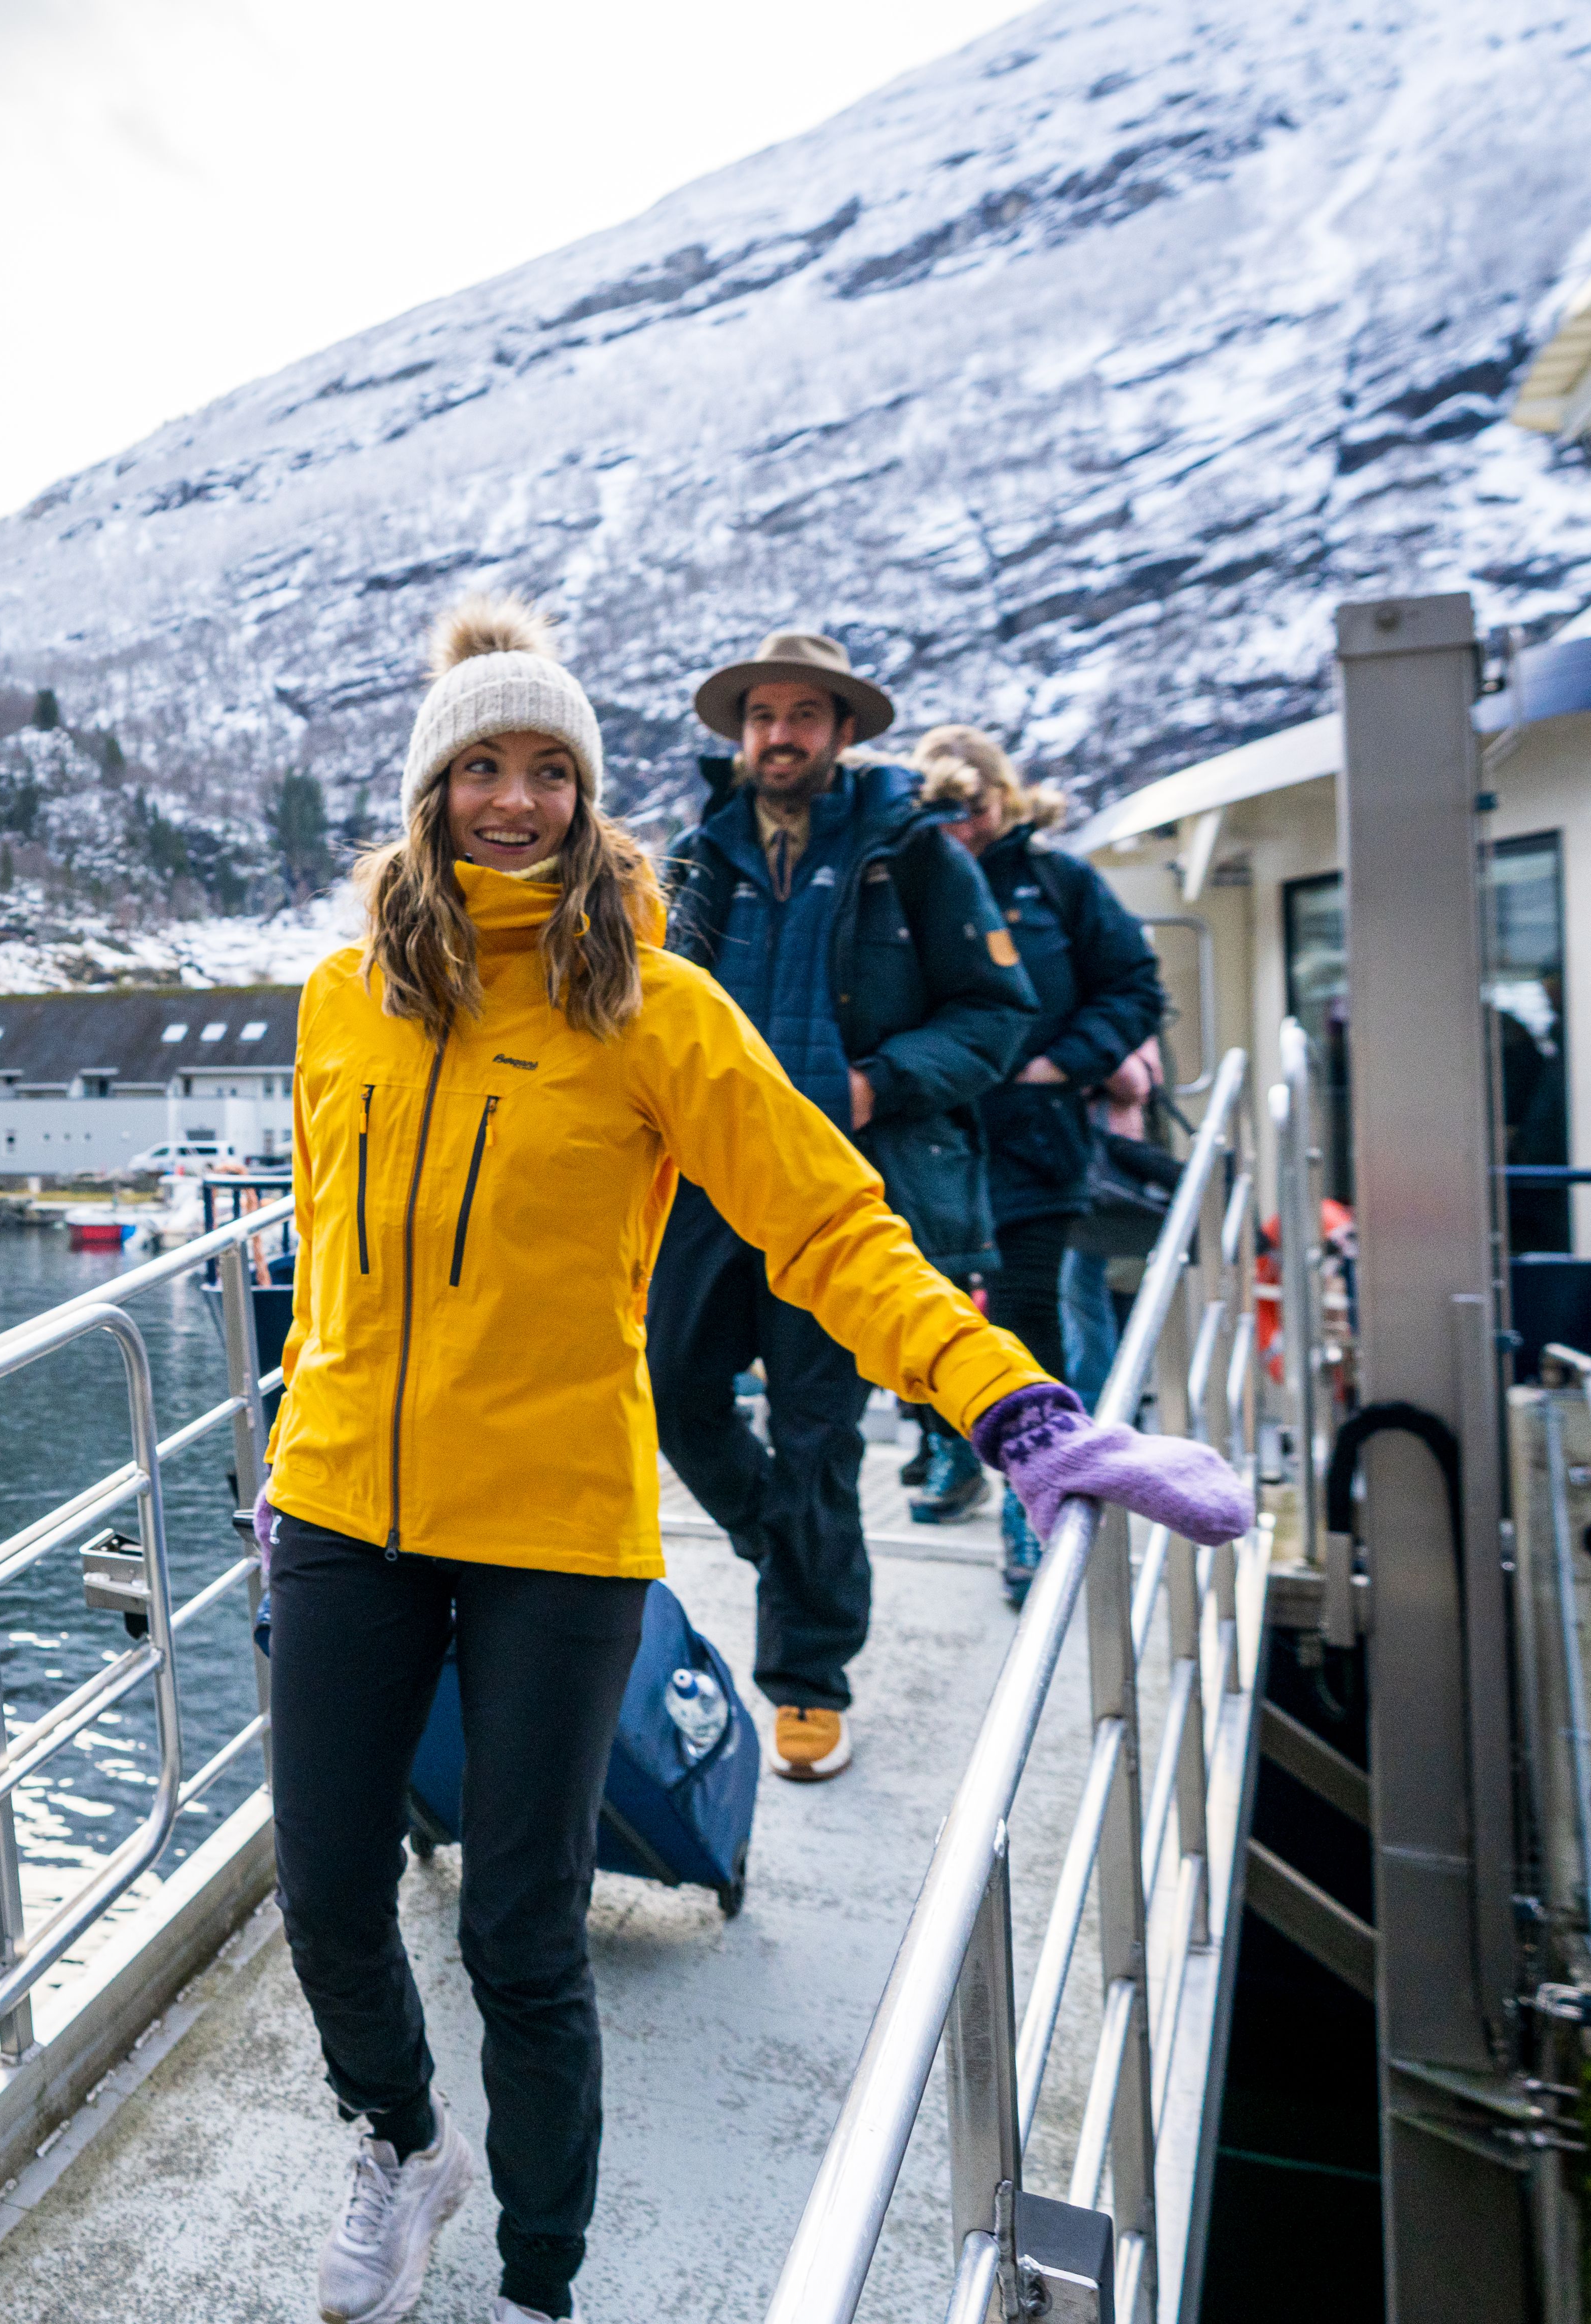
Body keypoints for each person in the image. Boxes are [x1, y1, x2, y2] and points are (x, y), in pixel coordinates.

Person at [262, 596, 1248, 2324]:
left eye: (547, 771)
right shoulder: (341, 1002)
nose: (512, 801)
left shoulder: (652, 1008)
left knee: (521, 1929)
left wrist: (1013, 1406)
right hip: (345, 1504)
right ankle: (401, 2140)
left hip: (557, 1529)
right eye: (480, 766)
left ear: (587, 795)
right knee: (328, 1885)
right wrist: (290, 1455)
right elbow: (337, 1260)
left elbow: (831, 1225)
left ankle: (540, 2279)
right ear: (428, 790)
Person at [646, 630, 1034, 1781]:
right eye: (761, 715)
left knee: (818, 1434)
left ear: (842, 732)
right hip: (707, 1192)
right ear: (738, 734)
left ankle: (808, 1683)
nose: (780, 734)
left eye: (803, 715)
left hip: (834, 1186)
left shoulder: (912, 855)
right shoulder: (695, 859)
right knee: (671, 1393)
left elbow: (996, 1017)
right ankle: (795, 1556)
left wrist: (878, 1081)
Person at [911, 726, 1169, 1603]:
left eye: (978, 808)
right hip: (936, 1139)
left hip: (1035, 1140)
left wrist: (1065, 1062)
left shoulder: (1059, 883)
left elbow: (1136, 982)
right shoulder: (904, 879)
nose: (967, 828)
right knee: (928, 1309)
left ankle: (1032, 1514)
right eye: (948, 812)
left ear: (1005, 799)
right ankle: (952, 1454)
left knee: (1028, 1317)